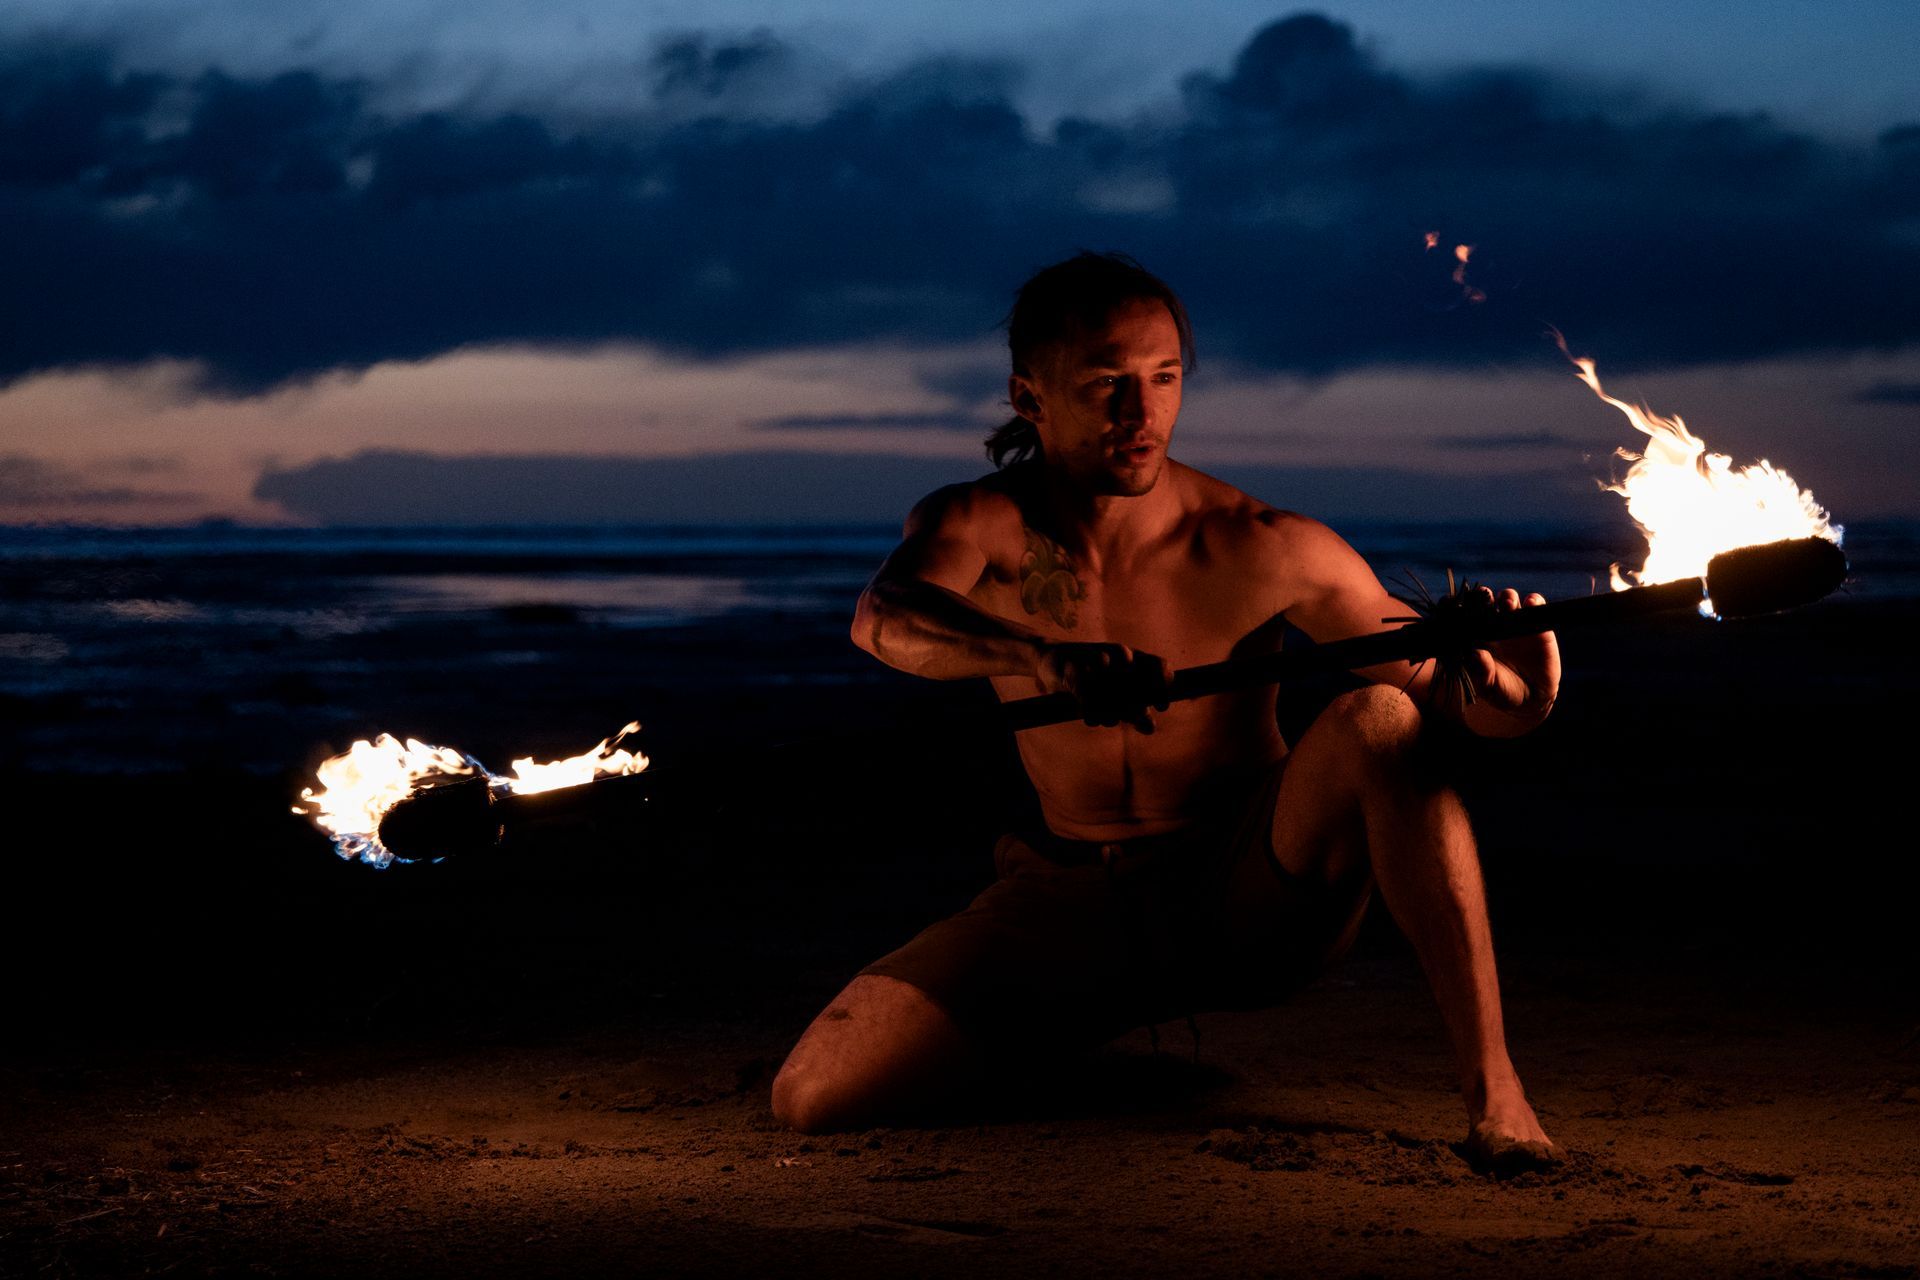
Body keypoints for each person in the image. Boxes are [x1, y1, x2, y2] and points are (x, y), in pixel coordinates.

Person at [770, 252, 1564, 1173]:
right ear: (1030, 399)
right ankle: (1069, 1023)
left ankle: (1496, 1090)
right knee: (814, 1096)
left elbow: (1444, 703)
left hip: (1249, 894)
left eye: (1164, 378)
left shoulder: (1261, 543)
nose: (1140, 415)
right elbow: (883, 619)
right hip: (1072, 895)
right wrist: (1040, 656)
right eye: (1107, 384)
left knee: (1377, 719)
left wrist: (1522, 699)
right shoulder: (979, 526)